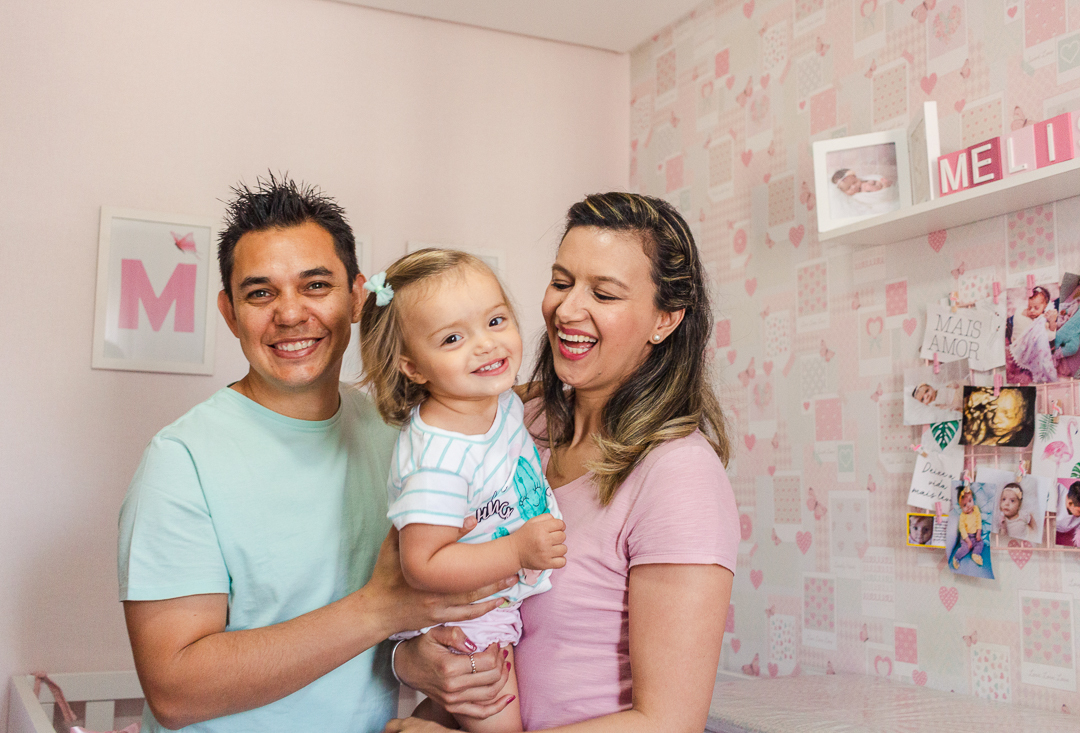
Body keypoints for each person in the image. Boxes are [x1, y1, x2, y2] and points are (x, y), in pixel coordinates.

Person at [117, 176, 514, 733]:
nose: (289, 314)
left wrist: (413, 660)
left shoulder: (400, 435)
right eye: (260, 293)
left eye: (315, 286)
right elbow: (177, 691)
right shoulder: (181, 462)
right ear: (229, 313)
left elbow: (391, 628)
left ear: (356, 299)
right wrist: (379, 609)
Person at [388, 192, 740, 732]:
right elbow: (426, 589)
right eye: (560, 282)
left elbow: (668, 723)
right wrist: (411, 663)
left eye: (603, 293)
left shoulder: (678, 476)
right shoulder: (510, 423)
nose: (568, 310)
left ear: (665, 320)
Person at [358, 249, 568, 733]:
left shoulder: (493, 402)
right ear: (412, 367)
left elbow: (521, 397)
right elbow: (422, 564)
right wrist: (517, 549)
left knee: (459, 714)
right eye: (453, 337)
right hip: (471, 614)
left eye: (496, 321)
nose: (486, 346)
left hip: (490, 604)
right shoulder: (440, 460)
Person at [1008, 286, 1057, 383]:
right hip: (1018, 341)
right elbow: (1022, 313)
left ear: (1045, 307)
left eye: (1036, 308)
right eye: (1030, 307)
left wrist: (1050, 321)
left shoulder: (1045, 317)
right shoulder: (1023, 311)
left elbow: (1051, 335)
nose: (1032, 311)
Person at [952, 485, 983, 569]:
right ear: (961, 507)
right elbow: (962, 529)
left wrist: (978, 533)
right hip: (966, 537)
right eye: (964, 505)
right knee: (965, 548)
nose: (968, 505)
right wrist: (968, 540)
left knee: (980, 543)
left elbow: (978, 521)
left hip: (975, 535)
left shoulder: (976, 509)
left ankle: (975, 554)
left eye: (970, 501)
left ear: (973, 499)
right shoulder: (962, 516)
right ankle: (956, 558)